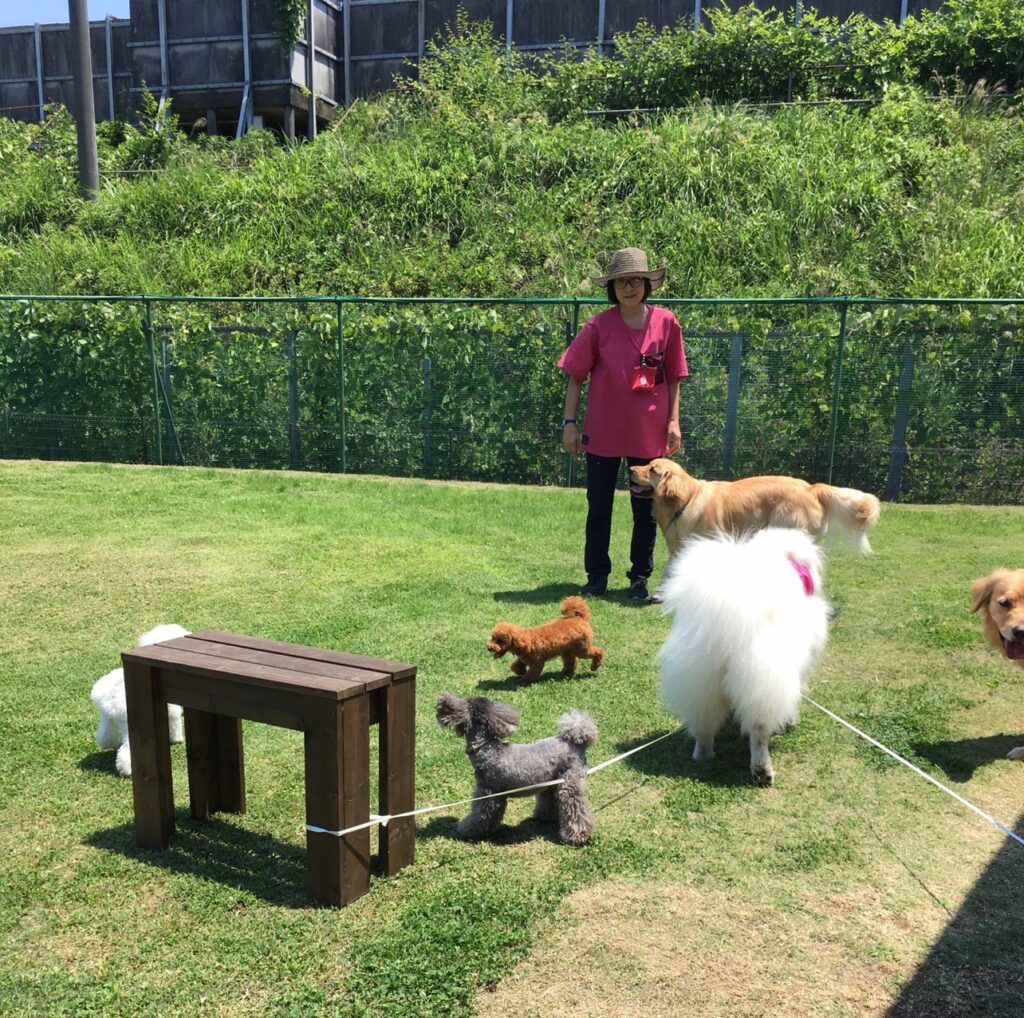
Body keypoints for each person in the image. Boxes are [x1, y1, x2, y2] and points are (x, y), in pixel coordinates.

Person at [559, 247, 688, 601]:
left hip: (648, 436)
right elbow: (575, 377)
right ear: (611, 289)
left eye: (635, 280)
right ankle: (596, 577)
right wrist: (569, 423)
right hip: (602, 434)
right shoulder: (598, 326)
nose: (628, 288)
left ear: (647, 284)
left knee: (646, 511)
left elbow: (674, 377)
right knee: (599, 507)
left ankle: (639, 578)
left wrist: (673, 421)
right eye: (620, 282)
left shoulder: (666, 322)